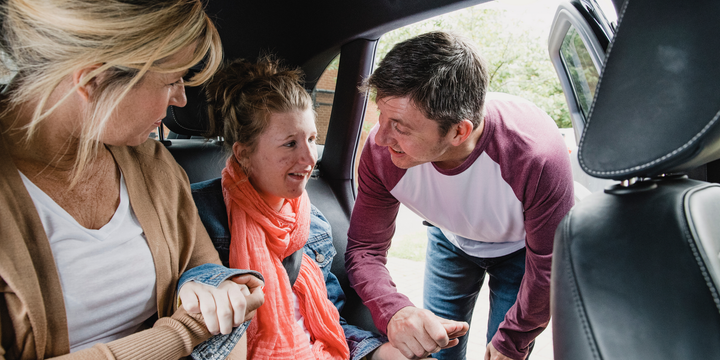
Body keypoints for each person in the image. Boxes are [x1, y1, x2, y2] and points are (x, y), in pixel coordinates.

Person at [0, 1, 264, 359]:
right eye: (173, 80)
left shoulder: (154, 165)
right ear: (94, 81)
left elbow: (205, 273)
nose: (182, 99)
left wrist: (220, 291)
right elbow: (196, 327)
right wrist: (183, 331)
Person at [345, 31, 575, 360]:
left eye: (399, 126)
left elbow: (550, 266)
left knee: (503, 351)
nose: (379, 139)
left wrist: (512, 340)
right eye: (381, 116)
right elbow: (364, 249)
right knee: (439, 350)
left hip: (523, 255)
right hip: (449, 241)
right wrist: (394, 311)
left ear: (458, 131)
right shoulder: (381, 154)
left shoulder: (535, 156)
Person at [196, 57, 430, 360]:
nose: (309, 159)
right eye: (290, 144)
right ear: (244, 153)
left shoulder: (312, 223)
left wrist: (382, 352)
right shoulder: (199, 216)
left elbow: (330, 324)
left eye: (311, 139)